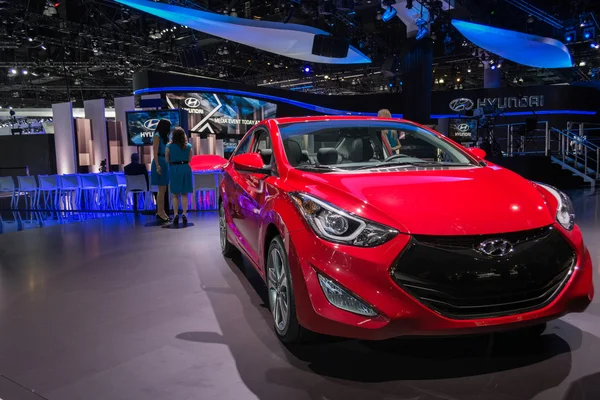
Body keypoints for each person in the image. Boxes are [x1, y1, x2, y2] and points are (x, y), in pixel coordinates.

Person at [166, 126, 193, 226]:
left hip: (174, 169)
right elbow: (190, 160)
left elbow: (167, 160)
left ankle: (176, 214)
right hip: (185, 169)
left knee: (175, 194)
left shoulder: (168, 146)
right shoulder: (189, 146)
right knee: (184, 193)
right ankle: (185, 214)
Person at [151, 119, 171, 222]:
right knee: (161, 190)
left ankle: (162, 211)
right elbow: (154, 153)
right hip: (159, 162)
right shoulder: (157, 136)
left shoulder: (164, 137)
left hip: (165, 162)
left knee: (164, 189)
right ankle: (160, 211)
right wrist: (158, 166)